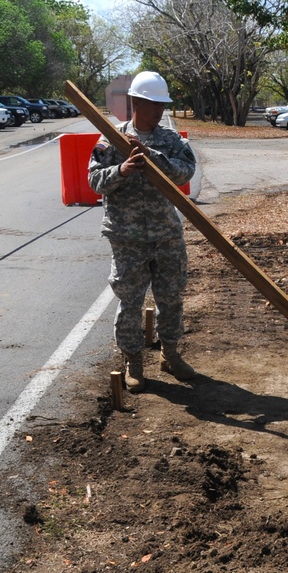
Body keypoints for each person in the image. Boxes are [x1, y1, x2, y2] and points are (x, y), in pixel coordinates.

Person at [88, 71, 198, 391]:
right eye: (153, 104)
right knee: (130, 301)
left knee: (171, 297)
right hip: (127, 237)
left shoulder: (170, 139)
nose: (159, 111)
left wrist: (153, 158)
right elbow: (94, 180)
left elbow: (185, 171)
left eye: (162, 104)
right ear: (135, 102)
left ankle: (171, 353)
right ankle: (133, 360)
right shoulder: (110, 139)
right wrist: (122, 170)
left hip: (166, 234)